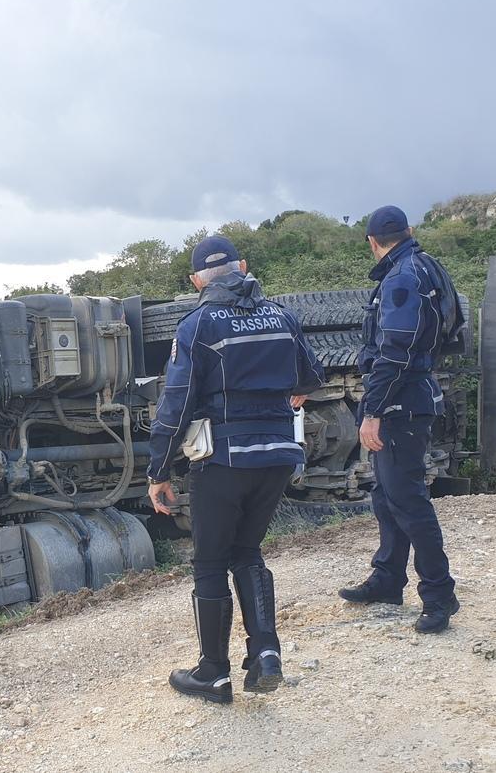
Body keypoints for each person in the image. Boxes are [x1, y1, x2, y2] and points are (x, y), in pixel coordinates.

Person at [147, 235, 324, 704]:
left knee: (209, 561)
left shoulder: (197, 324)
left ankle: (213, 674)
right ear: (242, 266)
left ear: (195, 280)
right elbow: (310, 377)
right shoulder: (282, 316)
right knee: (247, 550)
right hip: (279, 455)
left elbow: (175, 405)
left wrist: (158, 470)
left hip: (223, 459)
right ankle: (266, 653)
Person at [340, 205, 460, 633]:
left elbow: (396, 350)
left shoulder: (402, 278)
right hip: (410, 397)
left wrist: (373, 410)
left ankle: (439, 595)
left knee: (408, 501)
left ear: (372, 242)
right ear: (408, 231)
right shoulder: (424, 266)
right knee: (387, 497)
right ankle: (388, 579)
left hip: (400, 403)